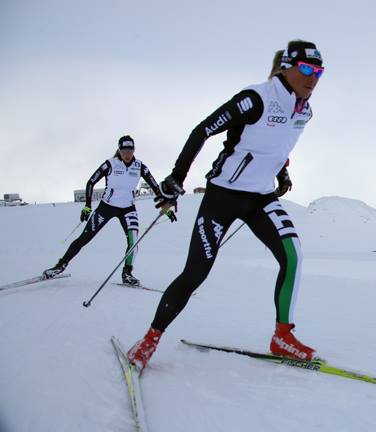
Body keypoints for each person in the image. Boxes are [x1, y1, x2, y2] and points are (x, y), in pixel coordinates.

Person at [127, 40, 325, 370]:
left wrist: (283, 171)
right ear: (286, 67)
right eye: (306, 69)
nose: (313, 78)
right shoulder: (255, 99)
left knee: (293, 255)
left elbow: (275, 145)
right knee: (195, 273)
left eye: (319, 71)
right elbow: (202, 130)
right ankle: (149, 339)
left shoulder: (304, 110)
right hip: (224, 195)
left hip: (260, 197)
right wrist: (177, 177)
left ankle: (282, 337)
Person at [42, 135, 171, 285]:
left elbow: (155, 187)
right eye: (124, 151)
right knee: (84, 238)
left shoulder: (140, 166)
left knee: (134, 241)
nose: (127, 154)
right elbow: (90, 182)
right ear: (119, 150)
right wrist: (87, 206)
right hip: (106, 207)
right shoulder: (110, 164)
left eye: (130, 150)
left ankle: (127, 273)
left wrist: (165, 207)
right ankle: (60, 266)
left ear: (134, 150)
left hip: (128, 208)